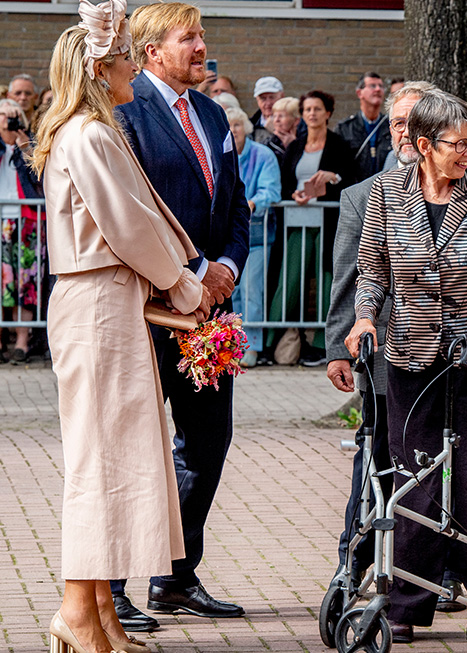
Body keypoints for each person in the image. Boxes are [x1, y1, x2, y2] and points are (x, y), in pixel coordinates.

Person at [32, 1, 212, 650]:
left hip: (106, 302)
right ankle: (78, 613)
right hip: (98, 303)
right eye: (125, 58)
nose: (135, 66)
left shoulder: (88, 131)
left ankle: (99, 608)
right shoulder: (89, 135)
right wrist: (184, 284)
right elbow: (129, 224)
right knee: (101, 459)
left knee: (113, 456)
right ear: (100, 67)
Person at [346, 90, 467, 645]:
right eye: (457, 144)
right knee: (415, 476)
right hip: (411, 355)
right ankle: (407, 595)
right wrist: (363, 319)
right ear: (423, 145)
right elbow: (373, 272)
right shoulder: (386, 192)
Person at [111, 0, 251, 630]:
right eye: (188, 38)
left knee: (209, 440)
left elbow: (237, 205)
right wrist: (189, 274)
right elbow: (131, 215)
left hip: (208, 313)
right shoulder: (124, 110)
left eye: (202, 36)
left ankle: (174, 573)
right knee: (131, 451)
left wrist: (226, 267)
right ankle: (111, 586)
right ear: (150, 51)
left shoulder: (212, 112)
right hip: (146, 311)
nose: (201, 47)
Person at [325, 82, 459, 637]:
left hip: (444, 362)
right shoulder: (365, 195)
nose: (404, 132)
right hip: (382, 356)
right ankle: (354, 565)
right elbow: (348, 281)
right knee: (376, 464)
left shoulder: (466, 191)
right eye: (397, 123)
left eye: (414, 122)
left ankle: (439, 572)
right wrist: (337, 346)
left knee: (439, 466)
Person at [269, 89, 353, 366]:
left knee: (328, 282)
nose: (312, 114)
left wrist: (334, 177)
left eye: (317, 109)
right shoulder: (295, 146)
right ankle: (275, 339)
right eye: (307, 110)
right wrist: (293, 195)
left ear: (328, 113)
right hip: (297, 222)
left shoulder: (340, 145)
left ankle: (322, 344)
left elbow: (354, 182)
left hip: (328, 223)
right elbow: (283, 183)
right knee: (290, 281)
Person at [225, 106, 279, 368]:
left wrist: (253, 203)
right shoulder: (222, 153)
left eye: (237, 125)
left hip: (256, 235)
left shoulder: (263, 155)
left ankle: (252, 347)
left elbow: (272, 191)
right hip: (227, 236)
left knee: (251, 292)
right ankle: (234, 345)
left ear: (245, 128)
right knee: (233, 292)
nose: (233, 130)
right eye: (229, 125)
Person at [0, 98, 43, 364]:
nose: (7, 119)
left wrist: (21, 140)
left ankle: (22, 344)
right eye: (2, 114)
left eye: (12, 114)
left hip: (27, 220)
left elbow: (39, 174)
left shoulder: (28, 143)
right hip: (2, 221)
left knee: (25, 282)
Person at [335, 72, 393, 182]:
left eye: (381, 86)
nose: (378, 89)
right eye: (372, 86)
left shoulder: (391, 126)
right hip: (355, 190)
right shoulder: (345, 128)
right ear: (359, 93)